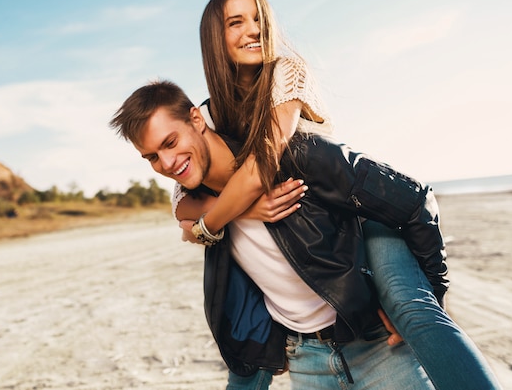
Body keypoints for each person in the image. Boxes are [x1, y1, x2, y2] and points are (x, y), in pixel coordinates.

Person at [175, 0, 501, 390]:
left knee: (413, 310)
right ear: (214, 39)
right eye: (236, 22)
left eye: (259, 18)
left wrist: (223, 213)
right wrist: (245, 210)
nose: (252, 30)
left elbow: (265, 160)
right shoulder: (208, 116)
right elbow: (182, 204)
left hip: (358, 219)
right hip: (313, 251)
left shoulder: (284, 73)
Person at [111, 80, 443, 389]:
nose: (167, 163)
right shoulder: (192, 197)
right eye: (151, 157)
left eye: (170, 143)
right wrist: (243, 209)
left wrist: (430, 303)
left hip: (376, 345)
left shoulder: (290, 157)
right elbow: (186, 217)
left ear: (197, 120)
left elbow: (413, 199)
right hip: (304, 359)